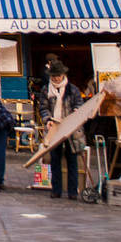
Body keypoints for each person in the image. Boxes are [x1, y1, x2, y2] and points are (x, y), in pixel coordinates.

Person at [35, 61, 84, 200]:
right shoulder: (46, 89)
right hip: (54, 127)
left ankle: (72, 191)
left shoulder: (72, 89)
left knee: (72, 160)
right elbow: (43, 108)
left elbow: (79, 104)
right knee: (55, 160)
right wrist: (48, 119)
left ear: (63, 75)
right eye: (54, 76)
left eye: (59, 75)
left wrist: (76, 112)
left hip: (70, 128)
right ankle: (56, 189)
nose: (56, 78)